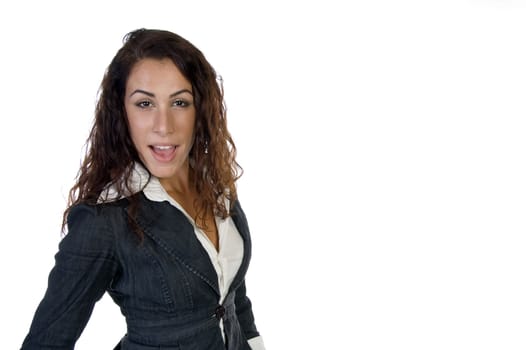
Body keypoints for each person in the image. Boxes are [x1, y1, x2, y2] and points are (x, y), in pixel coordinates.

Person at [21, 28, 265, 350]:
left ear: (200, 111)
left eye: (180, 102)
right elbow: (46, 342)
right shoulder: (104, 220)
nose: (164, 125)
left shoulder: (214, 184)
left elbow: (231, 292)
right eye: (145, 103)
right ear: (122, 114)